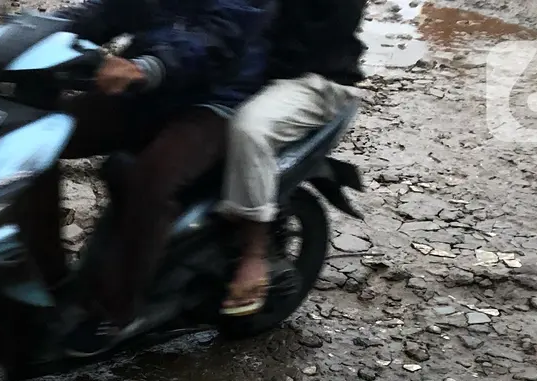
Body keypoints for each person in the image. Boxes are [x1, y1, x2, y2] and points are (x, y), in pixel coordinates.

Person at [25, 0, 273, 357]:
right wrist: (40, 29)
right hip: (151, 88)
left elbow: (217, 37)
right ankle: (48, 278)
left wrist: (148, 67)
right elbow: (108, 12)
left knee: (151, 178)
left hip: (212, 100)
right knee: (37, 135)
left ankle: (115, 312)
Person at [217, 0, 367, 316]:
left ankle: (255, 255)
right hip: (253, 65)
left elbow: (317, 35)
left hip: (314, 78)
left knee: (250, 129)